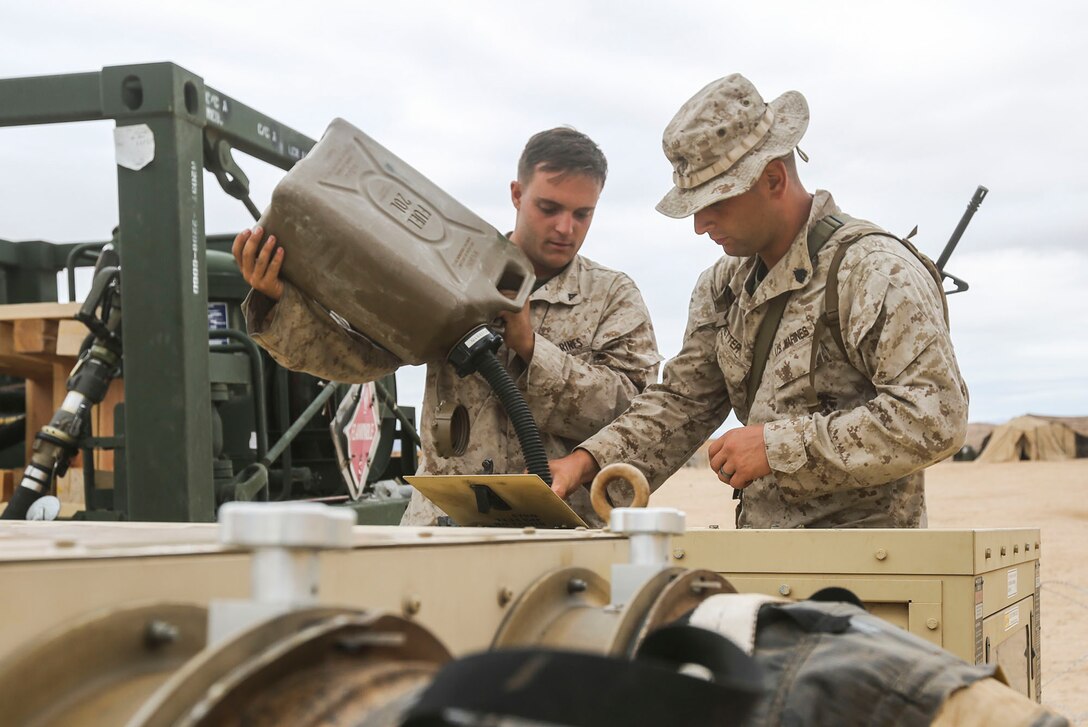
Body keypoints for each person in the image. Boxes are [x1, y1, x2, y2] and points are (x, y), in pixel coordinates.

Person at [549, 74, 969, 529]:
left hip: (867, 569)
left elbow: (934, 417)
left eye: (716, 203)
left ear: (773, 179)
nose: (700, 225)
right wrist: (588, 460)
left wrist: (776, 447)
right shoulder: (724, 287)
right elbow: (684, 402)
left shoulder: (873, 271)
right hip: (766, 560)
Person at [233, 127, 661, 527]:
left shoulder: (612, 296)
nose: (565, 228)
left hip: (561, 529)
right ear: (517, 194)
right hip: (445, 528)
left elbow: (637, 415)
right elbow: (357, 359)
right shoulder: (451, 267)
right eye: (548, 208)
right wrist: (279, 302)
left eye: (582, 214)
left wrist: (531, 347)